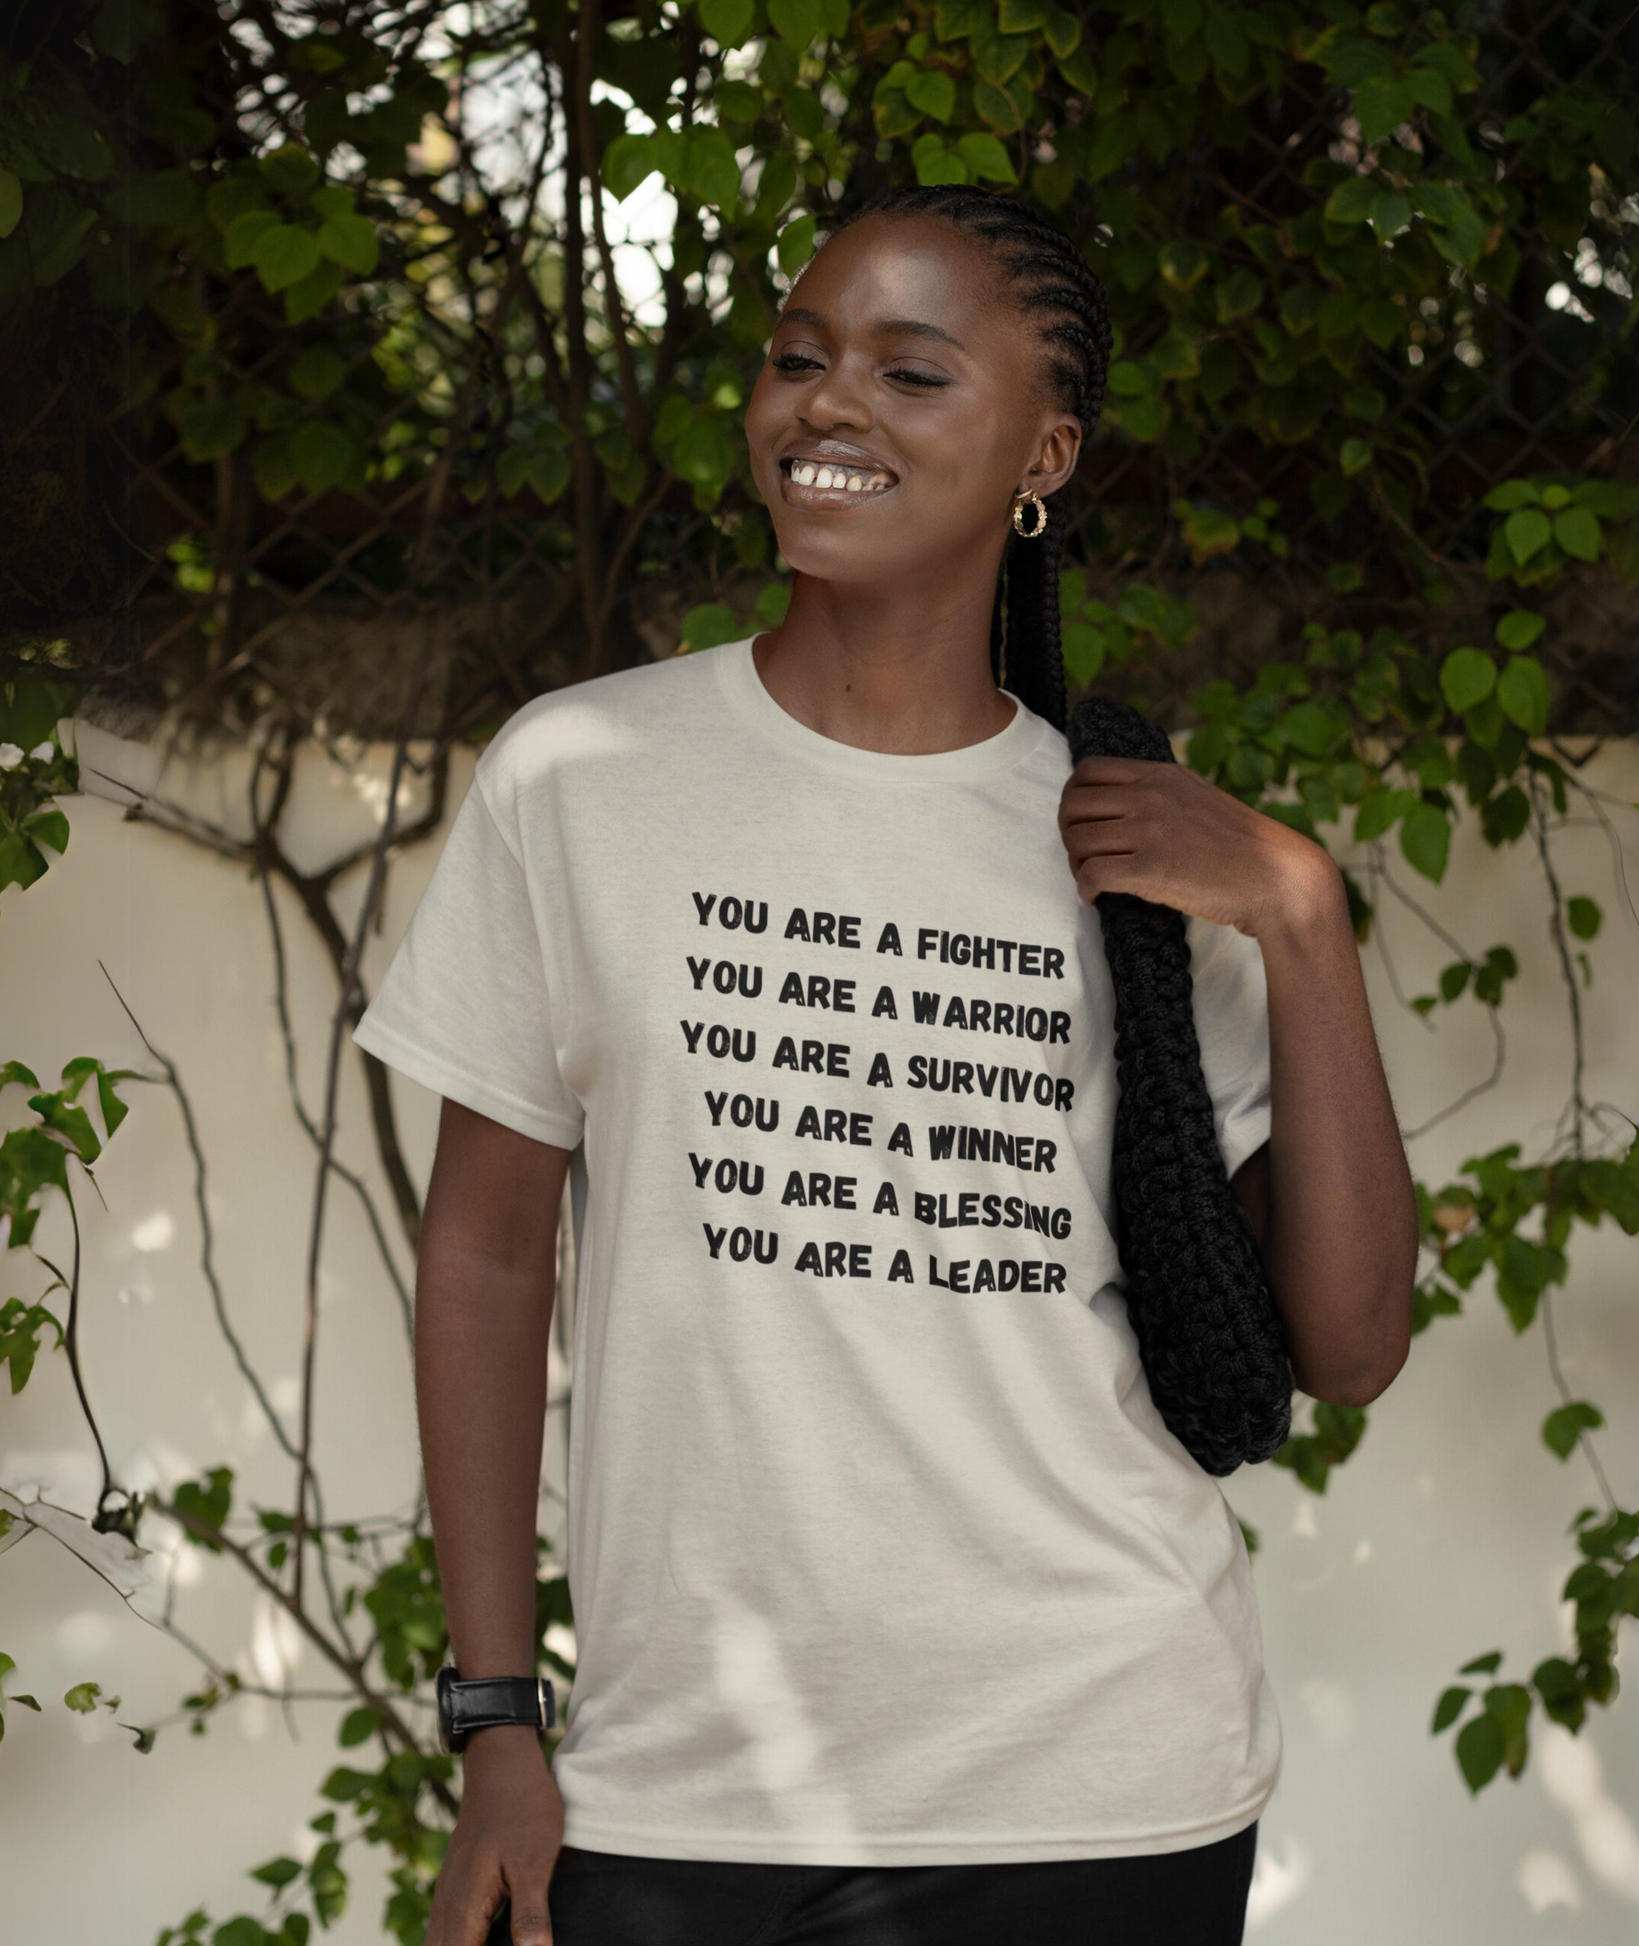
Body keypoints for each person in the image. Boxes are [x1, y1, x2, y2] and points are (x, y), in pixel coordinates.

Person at [352, 183, 1418, 1946]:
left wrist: (1300, 914)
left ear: (1043, 452)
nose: (825, 404)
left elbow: (1351, 1342)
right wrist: (492, 1723)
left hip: (1101, 1777)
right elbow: (481, 1254)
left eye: (910, 373)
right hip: (680, 1787)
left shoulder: (1123, 836)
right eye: (797, 357)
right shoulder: (580, 777)